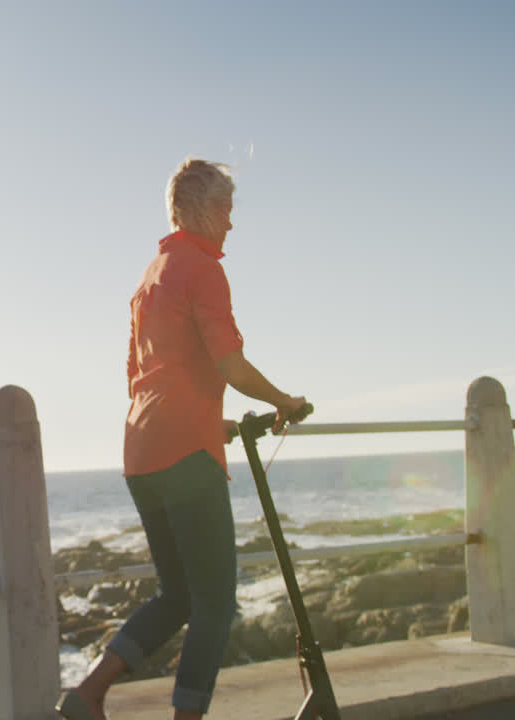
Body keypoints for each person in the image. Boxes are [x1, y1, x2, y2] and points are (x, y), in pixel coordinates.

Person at [58, 159, 308, 720]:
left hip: (142, 450)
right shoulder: (202, 268)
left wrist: (207, 417)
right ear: (198, 208)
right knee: (216, 606)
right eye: (225, 210)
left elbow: (147, 375)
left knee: (177, 596)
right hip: (184, 455)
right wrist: (283, 402)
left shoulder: (150, 275)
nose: (231, 224)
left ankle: (87, 695)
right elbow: (229, 362)